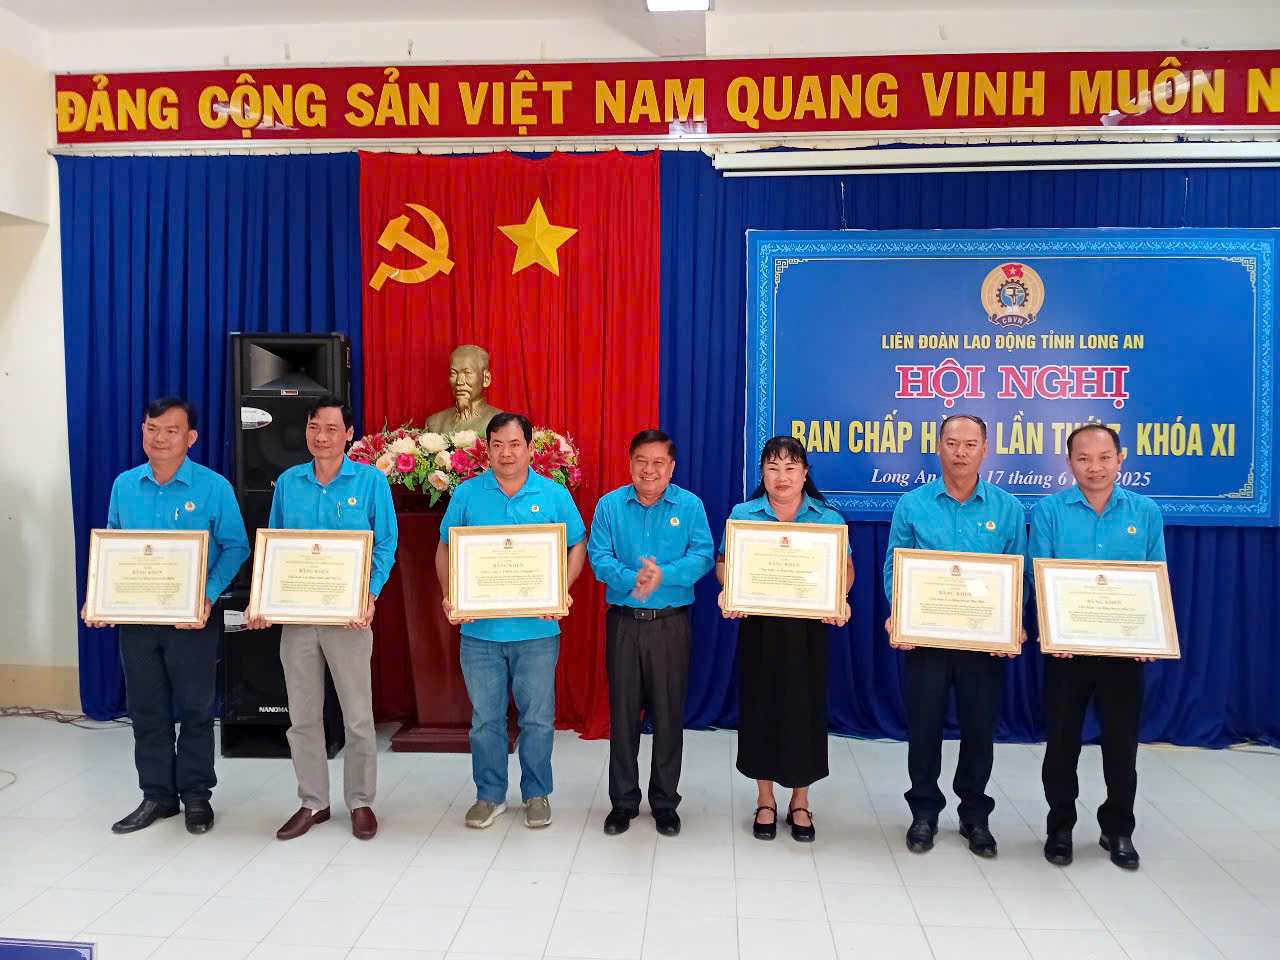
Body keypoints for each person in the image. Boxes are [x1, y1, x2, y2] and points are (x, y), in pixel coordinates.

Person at [83, 397, 249, 836]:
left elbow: (236, 546)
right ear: (142, 432)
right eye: (152, 428)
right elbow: (112, 548)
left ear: (190, 438)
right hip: (137, 621)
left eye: (171, 430)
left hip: (193, 620)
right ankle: (157, 795)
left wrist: (208, 595)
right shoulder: (124, 485)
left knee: (196, 710)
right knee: (146, 710)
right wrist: (98, 598)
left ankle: (196, 796)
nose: (160, 438)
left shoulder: (213, 488)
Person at [249, 395, 398, 842]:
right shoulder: (290, 482)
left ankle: (361, 801)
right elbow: (273, 546)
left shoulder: (370, 482)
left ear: (349, 434)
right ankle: (312, 801)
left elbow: (386, 545)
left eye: (332, 428)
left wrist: (368, 595)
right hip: (298, 618)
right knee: (302, 716)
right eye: (315, 427)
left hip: (349, 618)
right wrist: (264, 598)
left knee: (357, 716)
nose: (322, 436)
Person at [883, 414, 1026, 859]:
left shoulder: (1008, 509)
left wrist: (1012, 620)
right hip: (925, 638)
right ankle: (924, 811)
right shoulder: (913, 505)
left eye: (969, 444)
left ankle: (974, 815)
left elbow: (1018, 575)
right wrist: (900, 614)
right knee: (923, 727)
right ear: (938, 447)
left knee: (979, 730)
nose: (960, 452)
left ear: (985, 449)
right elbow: (894, 568)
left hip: (982, 643)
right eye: (951, 443)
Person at [437, 412, 587, 830]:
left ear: (529, 447)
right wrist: (451, 594)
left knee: (537, 718)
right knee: (485, 719)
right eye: (498, 444)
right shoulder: (468, 494)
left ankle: (537, 793)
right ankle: (489, 795)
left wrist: (561, 589)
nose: (506, 453)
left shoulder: (553, 494)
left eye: (515, 444)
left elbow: (577, 545)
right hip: (480, 631)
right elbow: (444, 549)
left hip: (537, 630)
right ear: (486, 448)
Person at [1031, 423, 1165, 870]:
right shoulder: (1049, 511)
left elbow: (1155, 578)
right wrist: (1053, 629)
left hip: (1124, 653)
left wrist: (1151, 633)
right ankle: (1060, 826)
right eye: (1084, 458)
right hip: (1066, 652)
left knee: (1122, 745)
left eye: (1104, 458)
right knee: (1062, 743)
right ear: (1069, 463)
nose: (1095, 467)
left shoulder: (1145, 512)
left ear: (1120, 460)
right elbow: (1039, 575)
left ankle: (1118, 828)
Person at [717, 436, 852, 843]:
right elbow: (725, 565)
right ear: (762, 473)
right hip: (760, 628)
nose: (782, 477)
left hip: (808, 631)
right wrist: (729, 589)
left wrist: (839, 597)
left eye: (791, 468)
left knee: (804, 712)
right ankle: (764, 799)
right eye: (773, 468)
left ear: (805, 473)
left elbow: (845, 570)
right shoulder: (744, 514)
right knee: (760, 708)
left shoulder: (828, 519)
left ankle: (800, 800)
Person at [587, 429, 714, 838]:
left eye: (659, 462)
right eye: (642, 460)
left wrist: (662, 577)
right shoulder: (609, 506)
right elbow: (598, 556)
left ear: (672, 467)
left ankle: (664, 803)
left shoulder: (690, 506)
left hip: (671, 625)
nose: (649, 470)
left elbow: (703, 555)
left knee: (668, 715)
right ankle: (622, 802)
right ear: (630, 462)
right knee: (622, 716)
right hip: (624, 622)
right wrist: (631, 579)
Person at [424, 344, 504, 435]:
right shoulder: (434, 423)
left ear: (486, 379)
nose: (459, 382)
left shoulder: (501, 422)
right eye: (454, 373)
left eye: (467, 373)